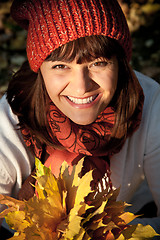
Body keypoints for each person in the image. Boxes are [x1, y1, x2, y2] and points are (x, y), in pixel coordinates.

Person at [0, 0, 160, 238]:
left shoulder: (149, 101)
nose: (81, 87)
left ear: (121, 64)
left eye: (98, 63)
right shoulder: (10, 118)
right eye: (60, 66)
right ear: (39, 68)